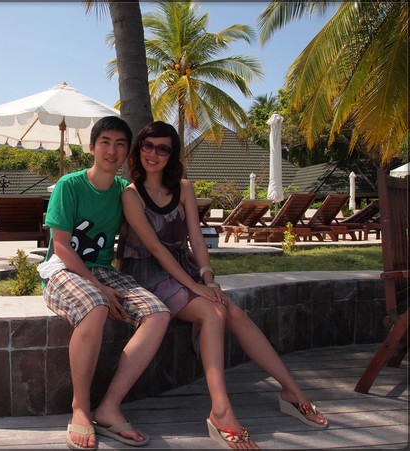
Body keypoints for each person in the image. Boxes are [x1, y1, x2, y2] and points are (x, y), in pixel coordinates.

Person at [118, 121, 328, 450]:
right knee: (214, 311)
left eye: (163, 148)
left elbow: (197, 239)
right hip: (147, 272)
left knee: (233, 313)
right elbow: (156, 249)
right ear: (138, 148)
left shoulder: (183, 188)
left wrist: (208, 278)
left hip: (183, 268)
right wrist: (195, 287)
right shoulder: (131, 194)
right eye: (148, 145)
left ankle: (292, 390)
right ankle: (220, 411)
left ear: (172, 154)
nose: (154, 154)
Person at [40, 116, 171, 450]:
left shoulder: (124, 192)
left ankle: (110, 406)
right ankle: (80, 408)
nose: (112, 151)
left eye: (120, 145)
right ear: (92, 147)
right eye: (105, 143)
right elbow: (60, 246)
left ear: (127, 153)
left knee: (158, 313)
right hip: (63, 268)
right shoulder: (69, 185)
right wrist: (98, 288)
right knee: (95, 306)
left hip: (103, 270)